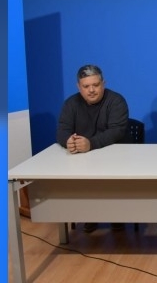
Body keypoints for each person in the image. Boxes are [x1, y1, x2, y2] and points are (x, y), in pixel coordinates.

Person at [56, 64, 129, 233]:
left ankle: (117, 216)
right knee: (82, 181)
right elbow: (62, 130)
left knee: (111, 180)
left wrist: (91, 144)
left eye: (95, 85)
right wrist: (68, 141)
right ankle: (90, 214)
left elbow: (117, 131)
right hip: (84, 160)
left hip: (115, 158)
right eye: (86, 86)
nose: (91, 90)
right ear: (78, 87)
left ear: (103, 83)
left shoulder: (116, 101)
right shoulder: (71, 104)